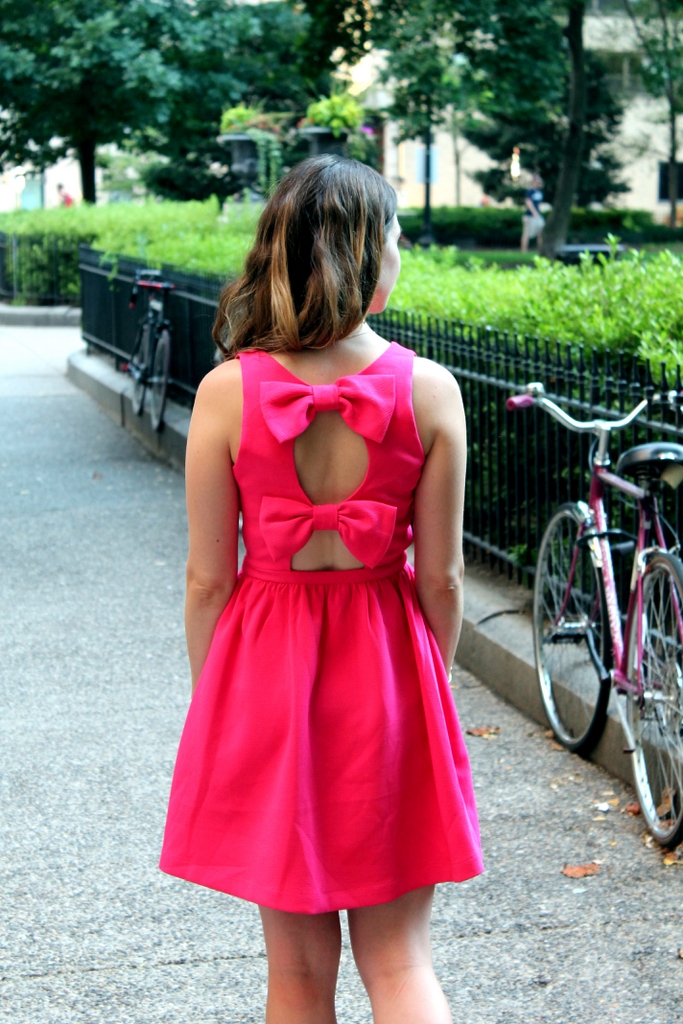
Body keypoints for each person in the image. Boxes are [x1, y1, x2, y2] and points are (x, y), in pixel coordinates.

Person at [160, 155, 483, 1023]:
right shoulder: (430, 391)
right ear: (366, 255)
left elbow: (205, 579)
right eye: (398, 241)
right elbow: (443, 578)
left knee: (297, 974)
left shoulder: (226, 395)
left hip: (265, 681)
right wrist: (428, 683)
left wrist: (217, 699)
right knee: (400, 958)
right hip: (387, 674)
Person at [521, 173, 544, 252]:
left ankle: (540, 250)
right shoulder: (529, 191)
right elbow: (528, 202)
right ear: (534, 181)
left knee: (540, 233)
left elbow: (539, 204)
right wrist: (534, 212)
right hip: (530, 216)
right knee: (526, 234)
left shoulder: (539, 192)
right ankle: (523, 251)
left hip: (538, 216)